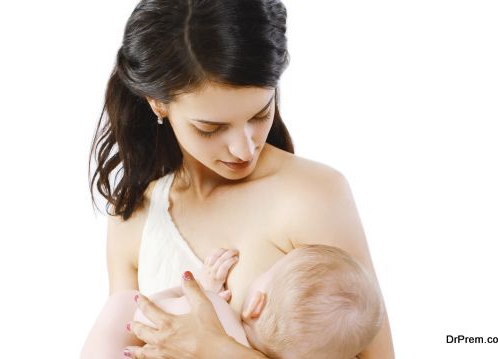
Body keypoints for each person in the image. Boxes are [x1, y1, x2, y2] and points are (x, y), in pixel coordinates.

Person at [80, 0, 395, 357]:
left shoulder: (310, 196)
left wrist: (221, 351)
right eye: (211, 128)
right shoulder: (135, 218)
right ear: (158, 103)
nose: (245, 149)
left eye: (260, 114)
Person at [130, 244, 385, 358]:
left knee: (121, 307)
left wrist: (197, 291)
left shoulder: (213, 310)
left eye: (267, 272)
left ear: (256, 305)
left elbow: (144, 315)